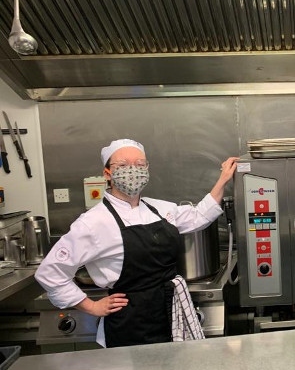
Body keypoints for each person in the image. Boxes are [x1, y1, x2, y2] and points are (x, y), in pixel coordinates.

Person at [35, 139, 239, 348]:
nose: (133, 170)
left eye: (140, 164)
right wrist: (91, 306)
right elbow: (50, 273)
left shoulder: (159, 209)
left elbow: (199, 216)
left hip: (171, 312)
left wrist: (223, 178)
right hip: (131, 322)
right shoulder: (93, 223)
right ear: (107, 173)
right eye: (123, 165)